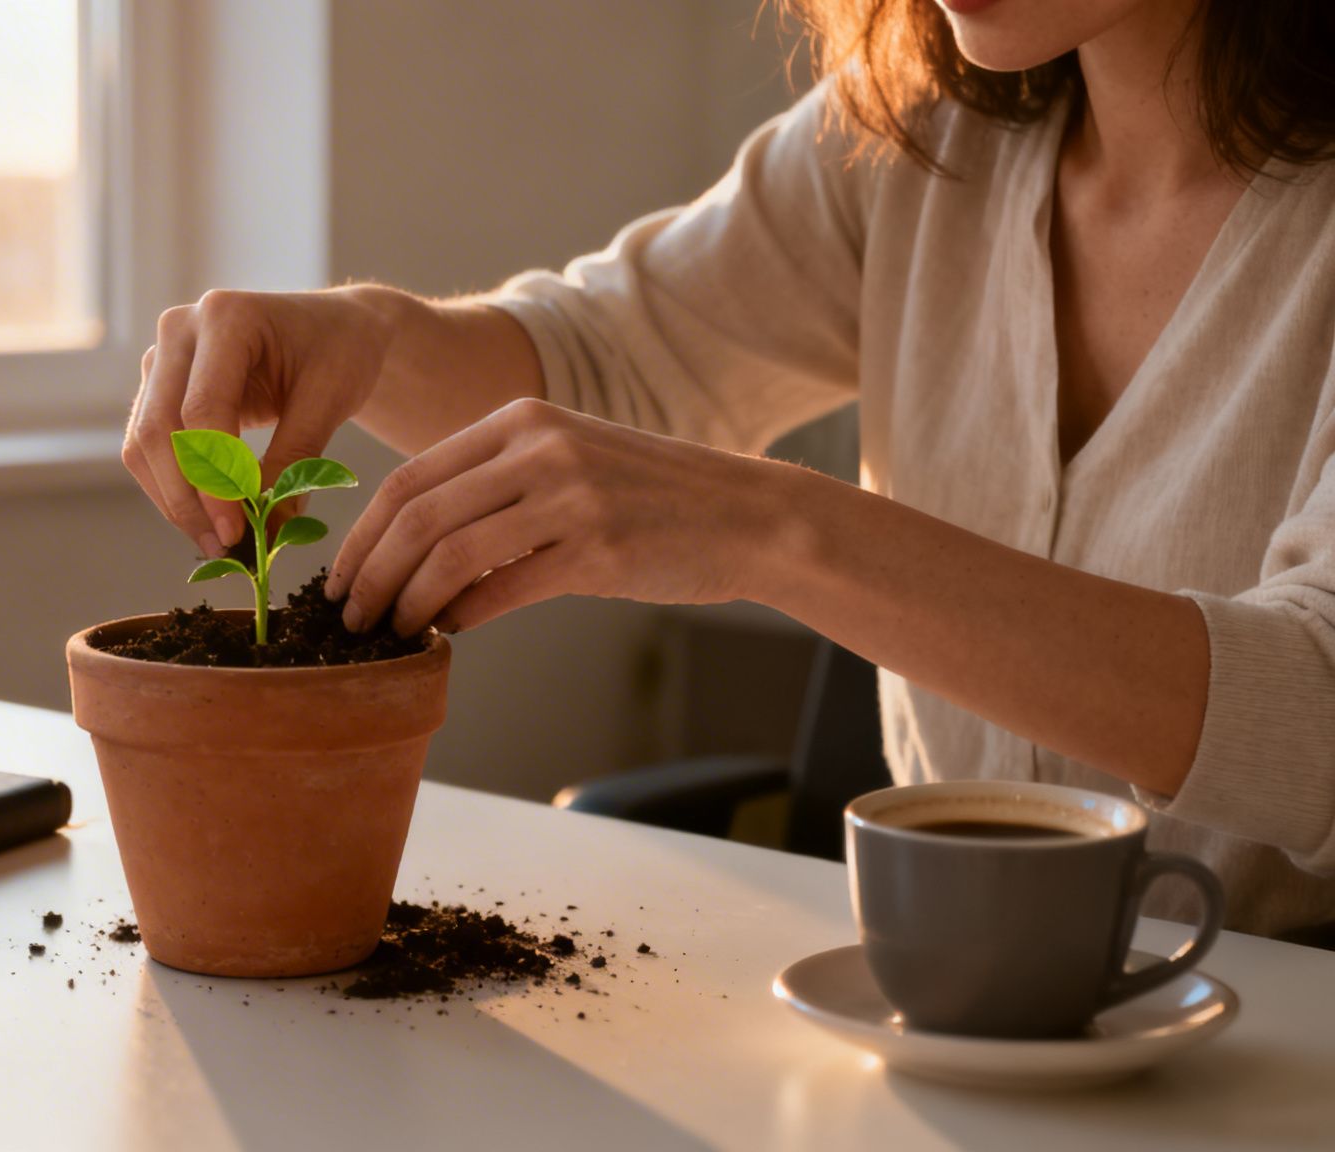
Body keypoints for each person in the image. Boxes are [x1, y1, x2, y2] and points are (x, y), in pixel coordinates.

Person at [121, 0, 1335, 940]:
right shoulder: (922, 137)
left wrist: (776, 531)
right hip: (941, 1017)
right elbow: (613, 360)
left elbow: (1316, 706)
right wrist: (369, 338)